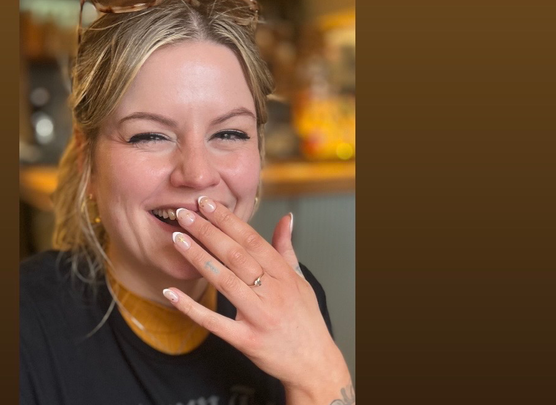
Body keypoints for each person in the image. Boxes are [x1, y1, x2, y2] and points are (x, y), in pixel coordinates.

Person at [20, 1, 354, 404]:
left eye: (229, 133)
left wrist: (317, 373)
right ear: (86, 159)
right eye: (150, 136)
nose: (197, 174)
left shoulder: (295, 302)